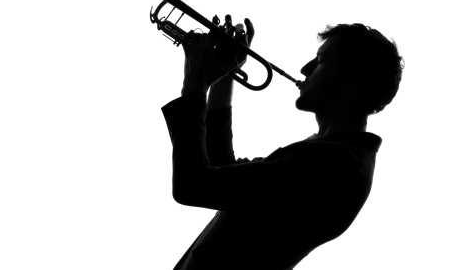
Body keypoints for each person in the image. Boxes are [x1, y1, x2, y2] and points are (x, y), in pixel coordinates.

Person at [161, 17, 404, 270]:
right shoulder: (336, 154)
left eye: (320, 61)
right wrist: (226, 73)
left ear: (354, 78)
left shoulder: (332, 162)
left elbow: (192, 185)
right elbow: (220, 169)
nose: (304, 69)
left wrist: (194, 83)